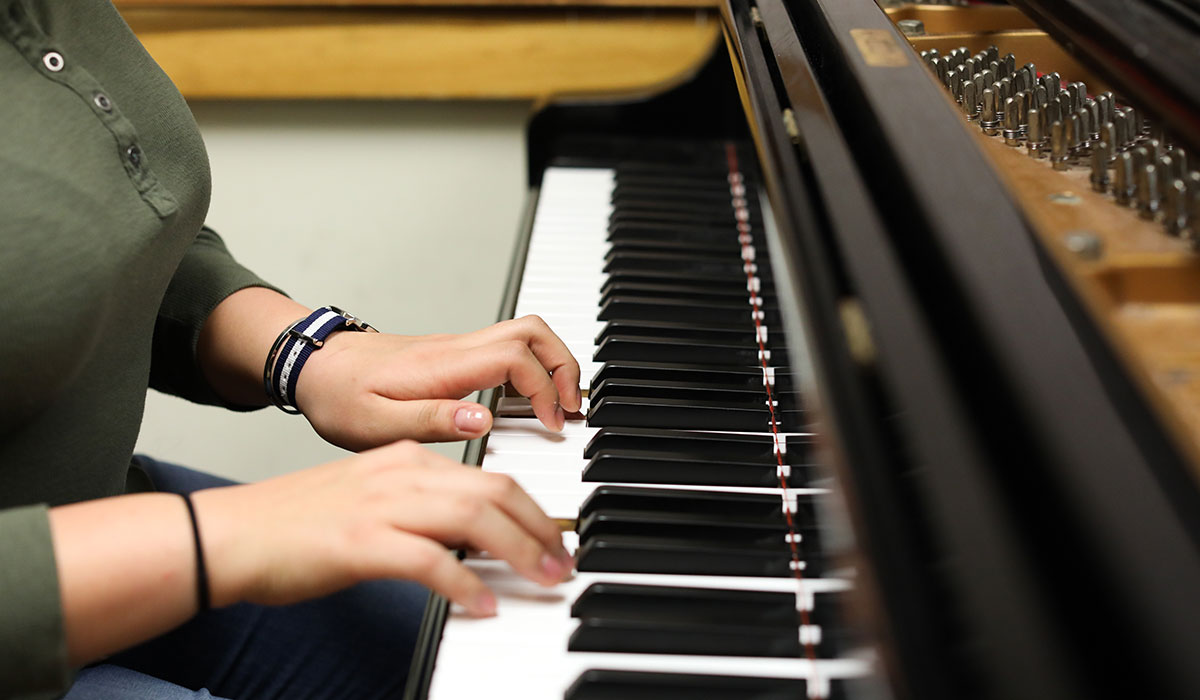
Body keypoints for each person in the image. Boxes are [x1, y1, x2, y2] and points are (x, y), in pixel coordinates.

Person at [0, 1, 582, 698]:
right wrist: (225, 537)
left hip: (90, 510)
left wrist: (308, 354)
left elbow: (76, 252)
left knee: (512, 650)